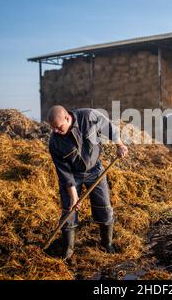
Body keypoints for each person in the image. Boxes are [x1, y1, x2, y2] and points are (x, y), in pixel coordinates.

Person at [47, 105, 128, 262]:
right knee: (69, 209)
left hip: (95, 169)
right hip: (73, 175)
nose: (56, 131)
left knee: (104, 206)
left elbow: (109, 127)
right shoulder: (54, 142)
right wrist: (74, 196)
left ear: (67, 118)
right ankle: (68, 251)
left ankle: (107, 244)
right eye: (53, 128)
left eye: (58, 127)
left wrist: (120, 145)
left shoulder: (89, 116)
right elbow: (64, 173)